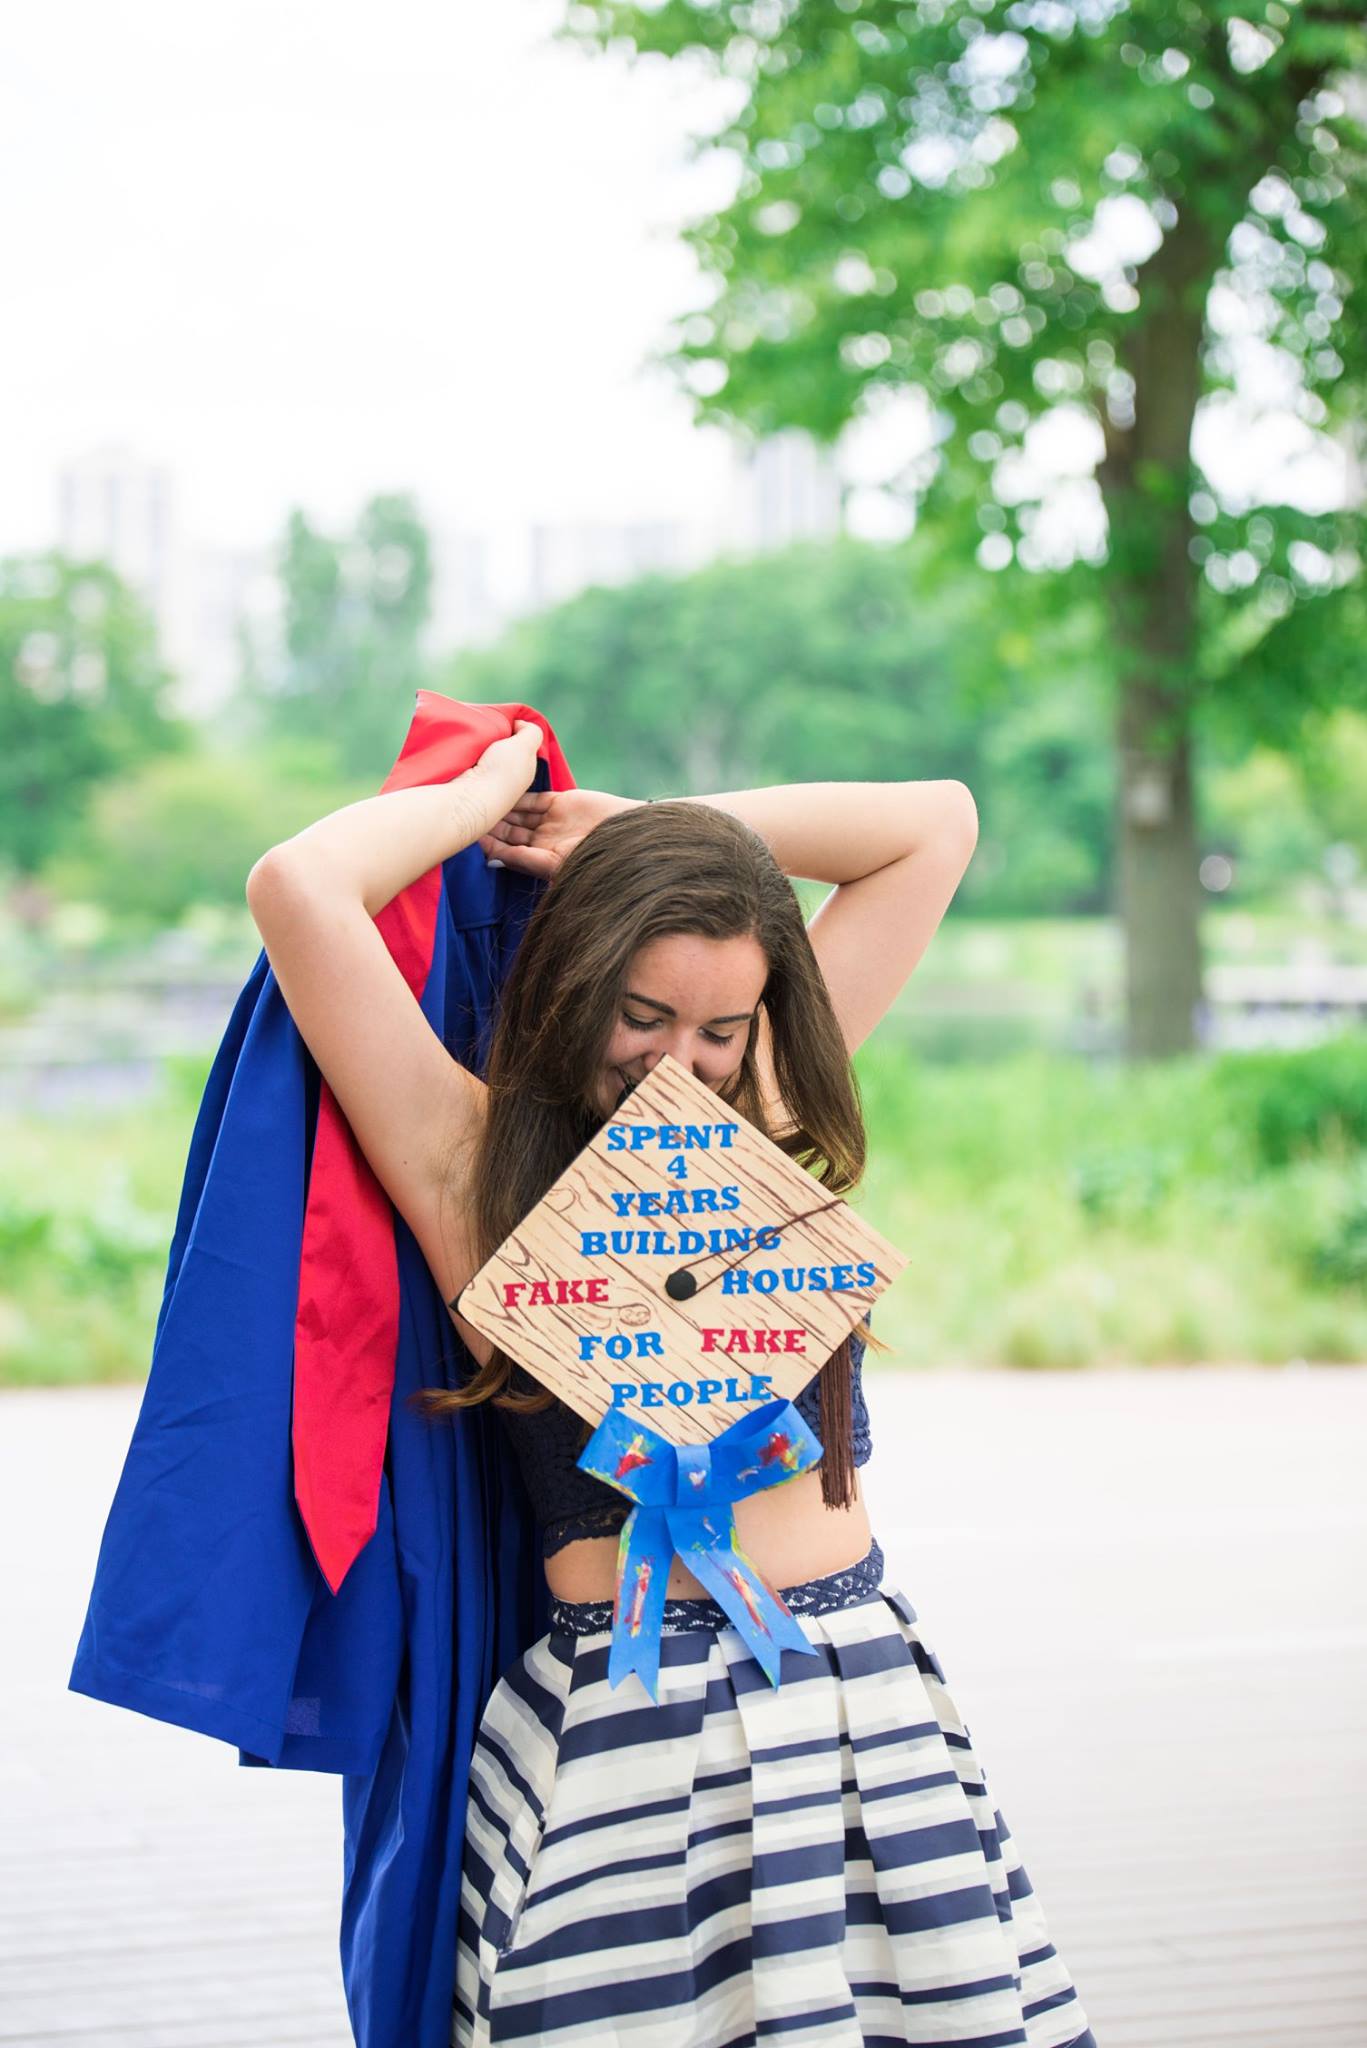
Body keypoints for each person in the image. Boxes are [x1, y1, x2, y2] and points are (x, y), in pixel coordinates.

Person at [244, 715, 1097, 2048]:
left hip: (849, 1684)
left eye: (717, 1028)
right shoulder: (476, 1168)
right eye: (639, 1017)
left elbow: (936, 822)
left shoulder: (757, 1111)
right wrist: (481, 799)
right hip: (622, 1721)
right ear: (576, 986)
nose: (676, 1062)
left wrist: (655, 829)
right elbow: (300, 886)